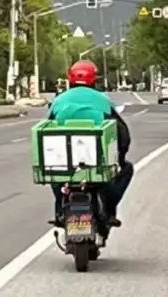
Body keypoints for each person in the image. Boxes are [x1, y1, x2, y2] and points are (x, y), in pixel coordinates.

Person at [47, 60, 134, 225]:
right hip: (96, 161)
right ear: (94, 80)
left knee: (55, 175)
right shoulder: (103, 100)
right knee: (126, 169)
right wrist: (120, 159)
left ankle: (60, 209)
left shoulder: (58, 101)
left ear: (70, 80)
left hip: (65, 160)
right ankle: (108, 210)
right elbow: (122, 134)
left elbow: (47, 133)